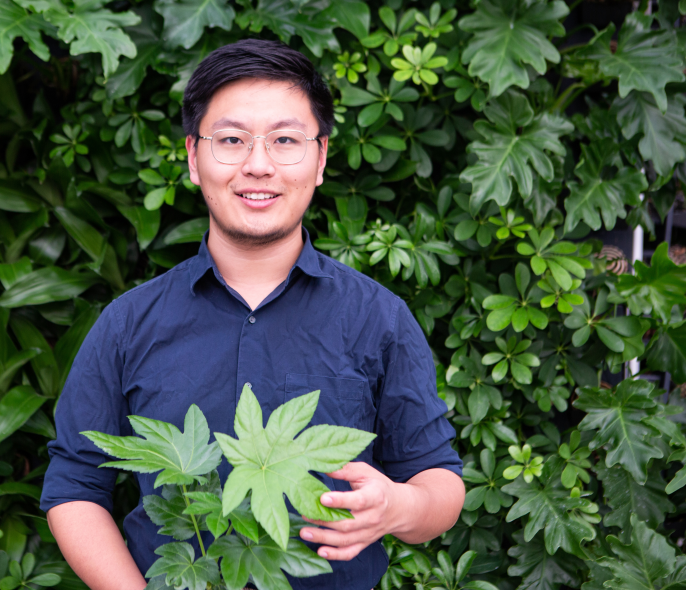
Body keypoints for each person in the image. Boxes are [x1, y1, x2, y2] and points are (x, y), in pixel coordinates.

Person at [40, 39, 464, 590]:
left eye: (285, 140)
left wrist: (400, 506)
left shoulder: (378, 317)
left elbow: (439, 481)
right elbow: (74, 486)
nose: (258, 165)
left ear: (320, 158)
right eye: (232, 140)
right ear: (193, 158)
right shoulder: (128, 323)